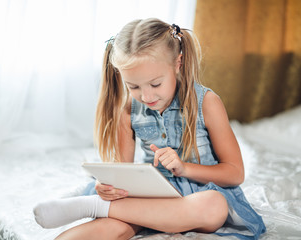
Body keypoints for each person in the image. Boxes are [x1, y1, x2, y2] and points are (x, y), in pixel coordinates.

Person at [33, 18, 266, 240]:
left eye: (155, 84)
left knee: (214, 206)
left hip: (199, 197)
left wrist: (184, 168)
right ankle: (104, 205)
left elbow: (235, 172)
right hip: (150, 198)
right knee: (112, 228)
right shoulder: (128, 109)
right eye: (133, 86)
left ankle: (92, 205)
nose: (146, 96)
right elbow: (121, 171)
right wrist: (108, 187)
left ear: (178, 63)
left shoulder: (207, 102)